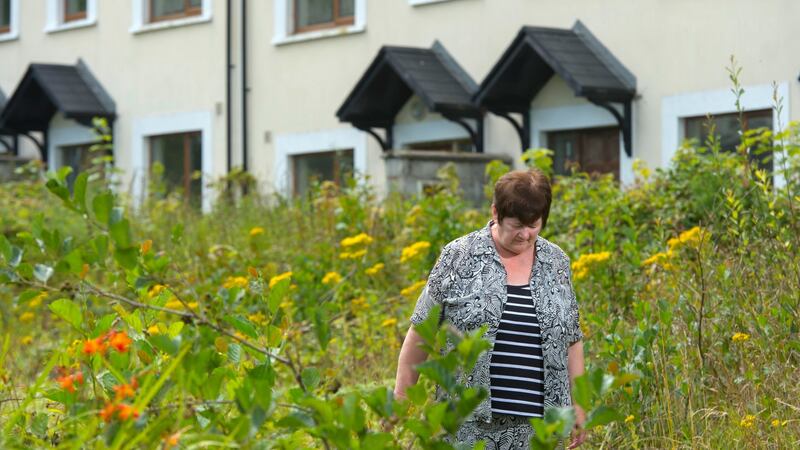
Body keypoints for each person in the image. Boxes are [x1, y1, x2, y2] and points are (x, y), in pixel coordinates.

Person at [394, 169, 587, 449]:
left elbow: (572, 339)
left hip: (543, 428)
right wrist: (400, 402)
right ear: (495, 212)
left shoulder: (556, 261)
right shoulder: (458, 256)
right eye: (516, 225)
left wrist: (579, 405)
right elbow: (421, 332)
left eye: (534, 224)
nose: (525, 234)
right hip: (469, 427)